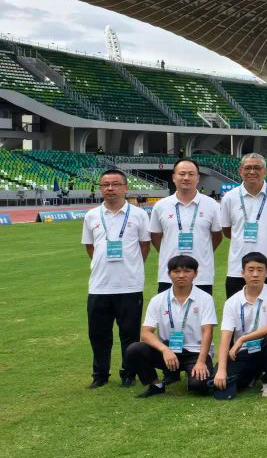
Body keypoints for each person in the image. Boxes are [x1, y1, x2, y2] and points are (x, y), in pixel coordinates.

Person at [82, 169, 151, 388]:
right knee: (98, 334)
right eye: (105, 185)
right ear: (100, 189)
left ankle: (129, 373)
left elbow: (145, 246)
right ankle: (100, 375)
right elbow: (90, 247)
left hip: (129, 285)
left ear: (125, 188)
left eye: (115, 184)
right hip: (99, 286)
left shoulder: (139, 215)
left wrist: (130, 267)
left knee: (129, 335)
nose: (110, 188)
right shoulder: (92, 215)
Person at [123, 254, 216, 397]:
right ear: (169, 274)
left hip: (195, 352)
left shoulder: (205, 299)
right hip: (169, 350)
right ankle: (156, 385)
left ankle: (203, 372)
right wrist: (165, 350)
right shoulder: (158, 300)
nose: (181, 275)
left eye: (187, 271)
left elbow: (207, 332)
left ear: (195, 274)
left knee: (199, 386)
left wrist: (201, 361)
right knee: (134, 349)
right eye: (176, 271)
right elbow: (146, 333)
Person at [212, 251, 267, 400]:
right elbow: (225, 338)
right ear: (242, 273)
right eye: (250, 270)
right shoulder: (232, 302)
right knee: (223, 385)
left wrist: (242, 339)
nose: (255, 274)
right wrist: (221, 370)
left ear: (266, 273)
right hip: (245, 353)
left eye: (260, 270)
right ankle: (252, 375)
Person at [219, 152, 267, 301]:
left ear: (264, 171)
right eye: (248, 168)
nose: (252, 171)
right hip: (238, 267)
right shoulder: (229, 198)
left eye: (257, 168)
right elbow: (226, 230)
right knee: (237, 311)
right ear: (240, 171)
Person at [149, 158, 221, 295]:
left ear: (198, 178)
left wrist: (203, 251)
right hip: (169, 275)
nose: (186, 178)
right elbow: (155, 236)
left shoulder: (212, 205)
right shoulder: (161, 206)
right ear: (173, 177)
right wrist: (168, 251)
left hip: (201, 276)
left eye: (191, 174)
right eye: (182, 174)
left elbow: (217, 236)